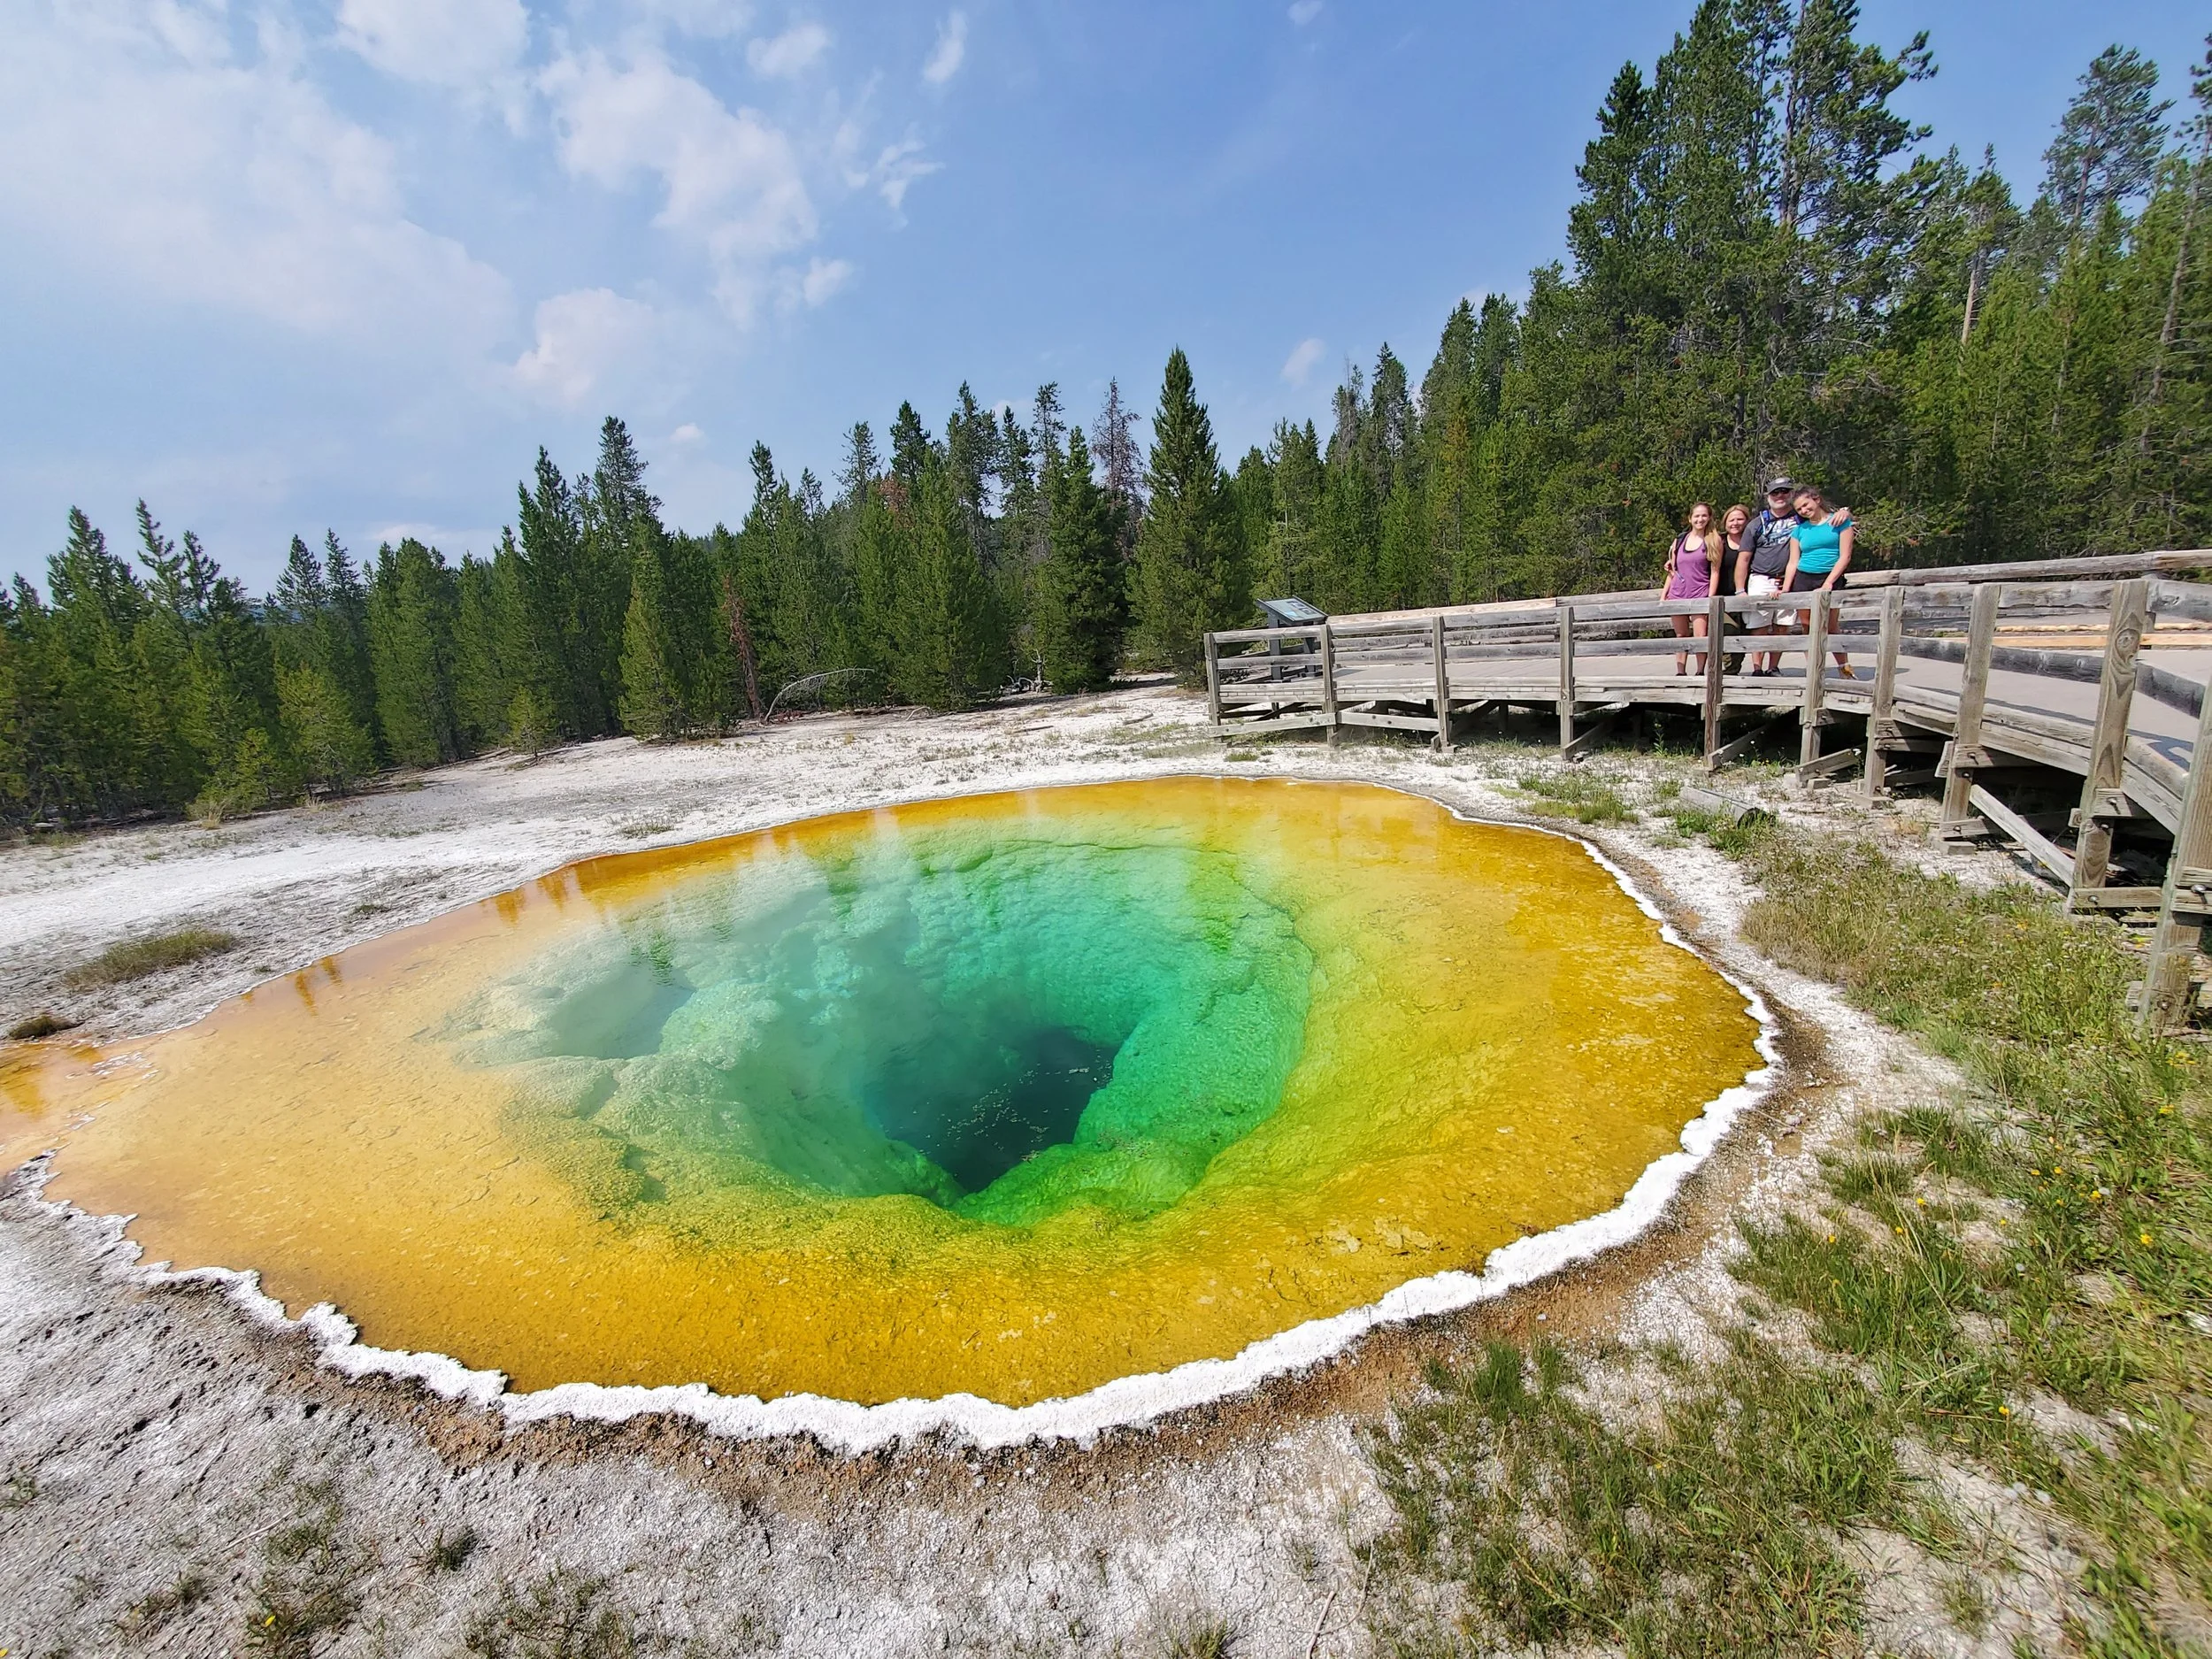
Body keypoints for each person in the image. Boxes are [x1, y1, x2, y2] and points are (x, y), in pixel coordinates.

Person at [1736, 476, 1850, 676]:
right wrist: (1743, 589)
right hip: (1786, 578)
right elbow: (1748, 558)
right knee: (1798, 625)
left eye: (1785, 492)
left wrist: (1845, 510)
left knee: (1826, 626)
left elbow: (1844, 553)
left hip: (1820, 578)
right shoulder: (1766, 524)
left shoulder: (1817, 520)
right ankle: (1804, 669)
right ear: (1768, 496)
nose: (1780, 495)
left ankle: (1843, 667)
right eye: (1775, 492)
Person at [1781, 484, 1857, 678]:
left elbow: (1845, 556)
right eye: (1799, 509)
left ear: (1816, 500)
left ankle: (1845, 668)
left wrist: (1829, 582)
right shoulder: (1799, 530)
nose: (1804, 511)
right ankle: (1815, 668)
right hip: (1804, 578)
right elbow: (1793, 561)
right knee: (1807, 625)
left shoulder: (1839, 522)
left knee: (1831, 626)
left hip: (1830, 576)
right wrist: (1785, 588)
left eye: (1806, 505)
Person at [1662, 503, 1724, 675]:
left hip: (1700, 592)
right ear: (1690, 518)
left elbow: (1715, 571)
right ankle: (1680, 671)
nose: (1700, 519)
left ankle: (1700, 671)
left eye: (1704, 516)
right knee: (1681, 635)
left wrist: (1710, 597)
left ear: (1709, 517)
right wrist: (1663, 595)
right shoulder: (1680, 540)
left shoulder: (1713, 540)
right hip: (1678, 593)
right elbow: (1673, 570)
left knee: (1700, 635)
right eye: (1696, 516)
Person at [1719, 503, 1754, 674]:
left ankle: (1734, 671)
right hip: (1723, 598)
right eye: (1731, 520)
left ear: (1747, 521)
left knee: (1745, 635)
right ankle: (1728, 671)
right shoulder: (1719, 541)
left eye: (1740, 519)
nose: (1735, 523)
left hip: (1749, 596)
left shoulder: (1754, 540)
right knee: (1729, 632)